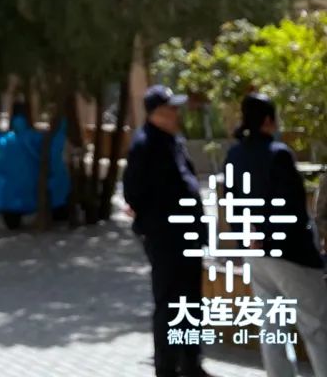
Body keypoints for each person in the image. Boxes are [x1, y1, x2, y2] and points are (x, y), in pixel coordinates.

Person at [226, 93, 327, 376]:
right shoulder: (278, 154)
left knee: (272, 327)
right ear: (269, 121)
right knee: (316, 326)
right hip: (289, 255)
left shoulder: (234, 154)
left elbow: (231, 203)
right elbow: (293, 210)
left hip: (255, 254)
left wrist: (247, 237)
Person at [123, 85, 212, 377]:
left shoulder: (173, 140)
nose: (176, 114)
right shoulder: (144, 145)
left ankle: (190, 361)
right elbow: (133, 192)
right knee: (170, 302)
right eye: (171, 108)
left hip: (186, 235)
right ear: (156, 113)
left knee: (191, 300)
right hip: (165, 237)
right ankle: (166, 367)